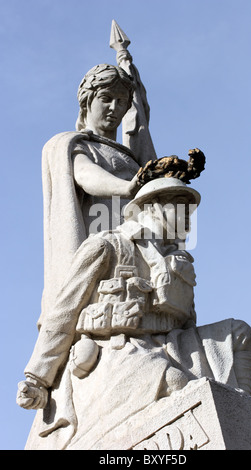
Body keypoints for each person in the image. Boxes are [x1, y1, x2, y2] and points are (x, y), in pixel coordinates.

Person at [17, 177, 251, 450]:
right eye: (179, 207)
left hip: (172, 344)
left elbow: (188, 321)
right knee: (174, 381)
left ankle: (247, 408)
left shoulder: (178, 262)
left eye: (190, 211)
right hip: (119, 350)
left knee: (239, 335)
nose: (189, 218)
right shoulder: (108, 245)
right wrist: (37, 379)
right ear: (152, 207)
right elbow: (63, 313)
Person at [39, 63, 155, 327]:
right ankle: (44, 361)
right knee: (66, 318)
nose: (114, 108)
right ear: (87, 102)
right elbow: (86, 175)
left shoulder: (131, 159)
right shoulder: (75, 145)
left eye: (121, 101)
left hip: (137, 251)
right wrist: (127, 187)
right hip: (101, 253)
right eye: (106, 99)